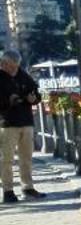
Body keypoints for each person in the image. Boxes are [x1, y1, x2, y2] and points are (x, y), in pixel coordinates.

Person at [0, 50, 43, 201]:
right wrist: (8, 101)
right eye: (11, 67)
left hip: (26, 121)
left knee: (27, 157)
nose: (14, 70)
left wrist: (34, 98)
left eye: (16, 66)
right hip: (7, 123)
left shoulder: (23, 74)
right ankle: (8, 191)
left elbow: (36, 93)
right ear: (3, 64)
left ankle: (28, 187)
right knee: (7, 159)